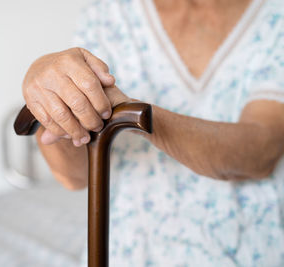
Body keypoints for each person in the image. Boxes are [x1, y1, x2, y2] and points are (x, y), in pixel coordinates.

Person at [21, 0, 284, 265]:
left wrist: (132, 112)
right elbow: (74, 177)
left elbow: (259, 153)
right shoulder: (109, 16)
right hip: (128, 251)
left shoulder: (276, 18)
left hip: (250, 248)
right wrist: (53, 95)